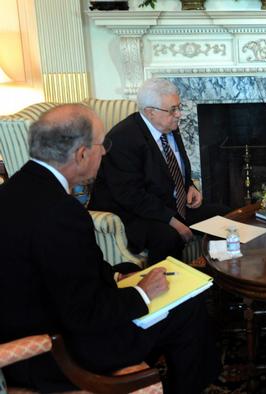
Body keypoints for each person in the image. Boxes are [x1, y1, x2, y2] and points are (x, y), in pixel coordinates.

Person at [0, 104, 220, 393]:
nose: (105, 152)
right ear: (81, 154)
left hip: (32, 319)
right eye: (102, 144)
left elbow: (61, 274)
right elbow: (84, 313)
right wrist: (143, 293)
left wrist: (118, 279)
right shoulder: (62, 213)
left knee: (128, 269)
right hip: (59, 352)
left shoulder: (14, 189)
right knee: (187, 308)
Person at [89, 78, 230, 265]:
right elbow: (131, 196)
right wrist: (172, 221)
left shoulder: (168, 125)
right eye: (173, 110)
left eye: (179, 107)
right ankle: (173, 290)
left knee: (225, 217)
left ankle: (218, 282)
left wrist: (189, 186)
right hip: (132, 215)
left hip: (167, 204)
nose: (179, 114)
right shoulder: (123, 139)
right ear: (150, 112)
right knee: (168, 237)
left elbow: (177, 166)